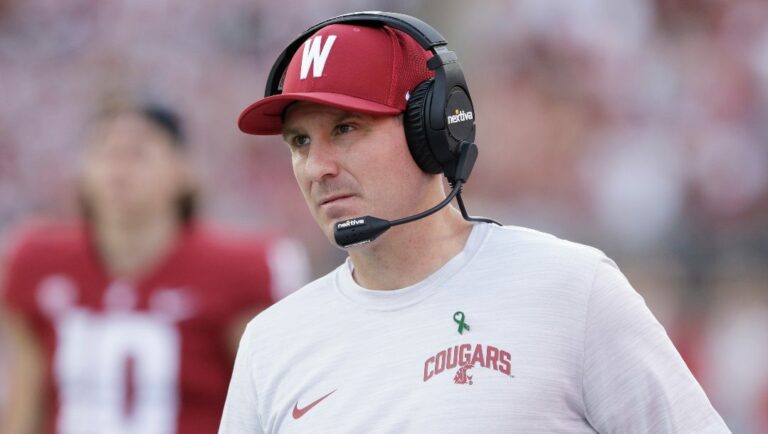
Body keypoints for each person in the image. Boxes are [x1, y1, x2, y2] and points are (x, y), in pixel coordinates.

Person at [219, 12, 730, 433]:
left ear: (435, 129)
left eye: (346, 129)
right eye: (300, 142)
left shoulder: (572, 288)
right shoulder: (272, 343)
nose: (317, 167)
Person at [0, 100, 308, 434]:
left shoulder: (238, 268)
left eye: (138, 153)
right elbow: (26, 401)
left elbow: (267, 405)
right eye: (105, 151)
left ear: (183, 169)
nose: (119, 168)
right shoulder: (37, 260)